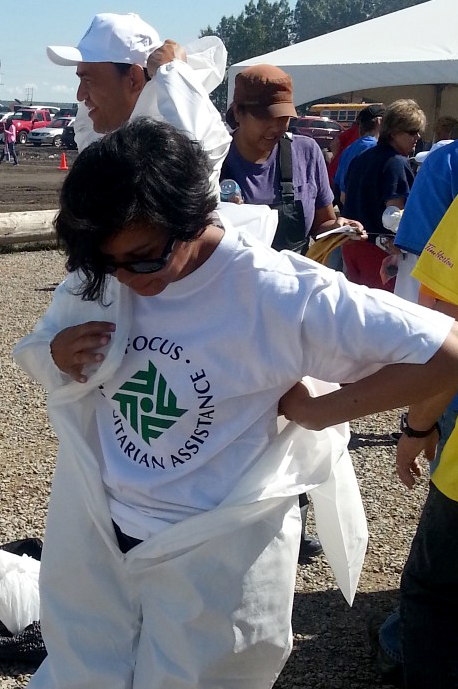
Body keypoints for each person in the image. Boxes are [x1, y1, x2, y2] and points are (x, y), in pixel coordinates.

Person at [14, 118, 458, 689]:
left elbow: (445, 353)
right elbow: (44, 344)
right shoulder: (105, 272)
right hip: (104, 528)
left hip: (214, 558)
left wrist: (323, 411)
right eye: (106, 265)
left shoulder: (277, 293)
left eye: (144, 260)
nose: (125, 281)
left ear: (195, 219)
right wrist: (54, 349)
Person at [46, 12, 231, 187]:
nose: (80, 95)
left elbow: (196, 161)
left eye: (88, 80)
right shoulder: (110, 141)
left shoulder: (159, 155)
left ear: (133, 78)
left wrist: (173, 71)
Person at [221, 64, 363, 256]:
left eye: (282, 117)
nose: (275, 126)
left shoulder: (306, 152)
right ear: (238, 112)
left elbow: (321, 224)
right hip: (233, 283)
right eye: (264, 116)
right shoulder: (214, 159)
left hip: (292, 282)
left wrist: (340, 228)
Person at [342, 99, 425, 291]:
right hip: (378, 252)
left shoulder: (362, 157)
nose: (418, 137)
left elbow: (345, 197)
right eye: (412, 131)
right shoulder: (396, 162)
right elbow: (395, 216)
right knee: (380, 314)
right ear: (395, 132)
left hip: (351, 246)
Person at [334, 104, 385, 196]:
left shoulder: (349, 149)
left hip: (347, 203)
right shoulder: (376, 148)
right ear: (379, 121)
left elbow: (338, 183)